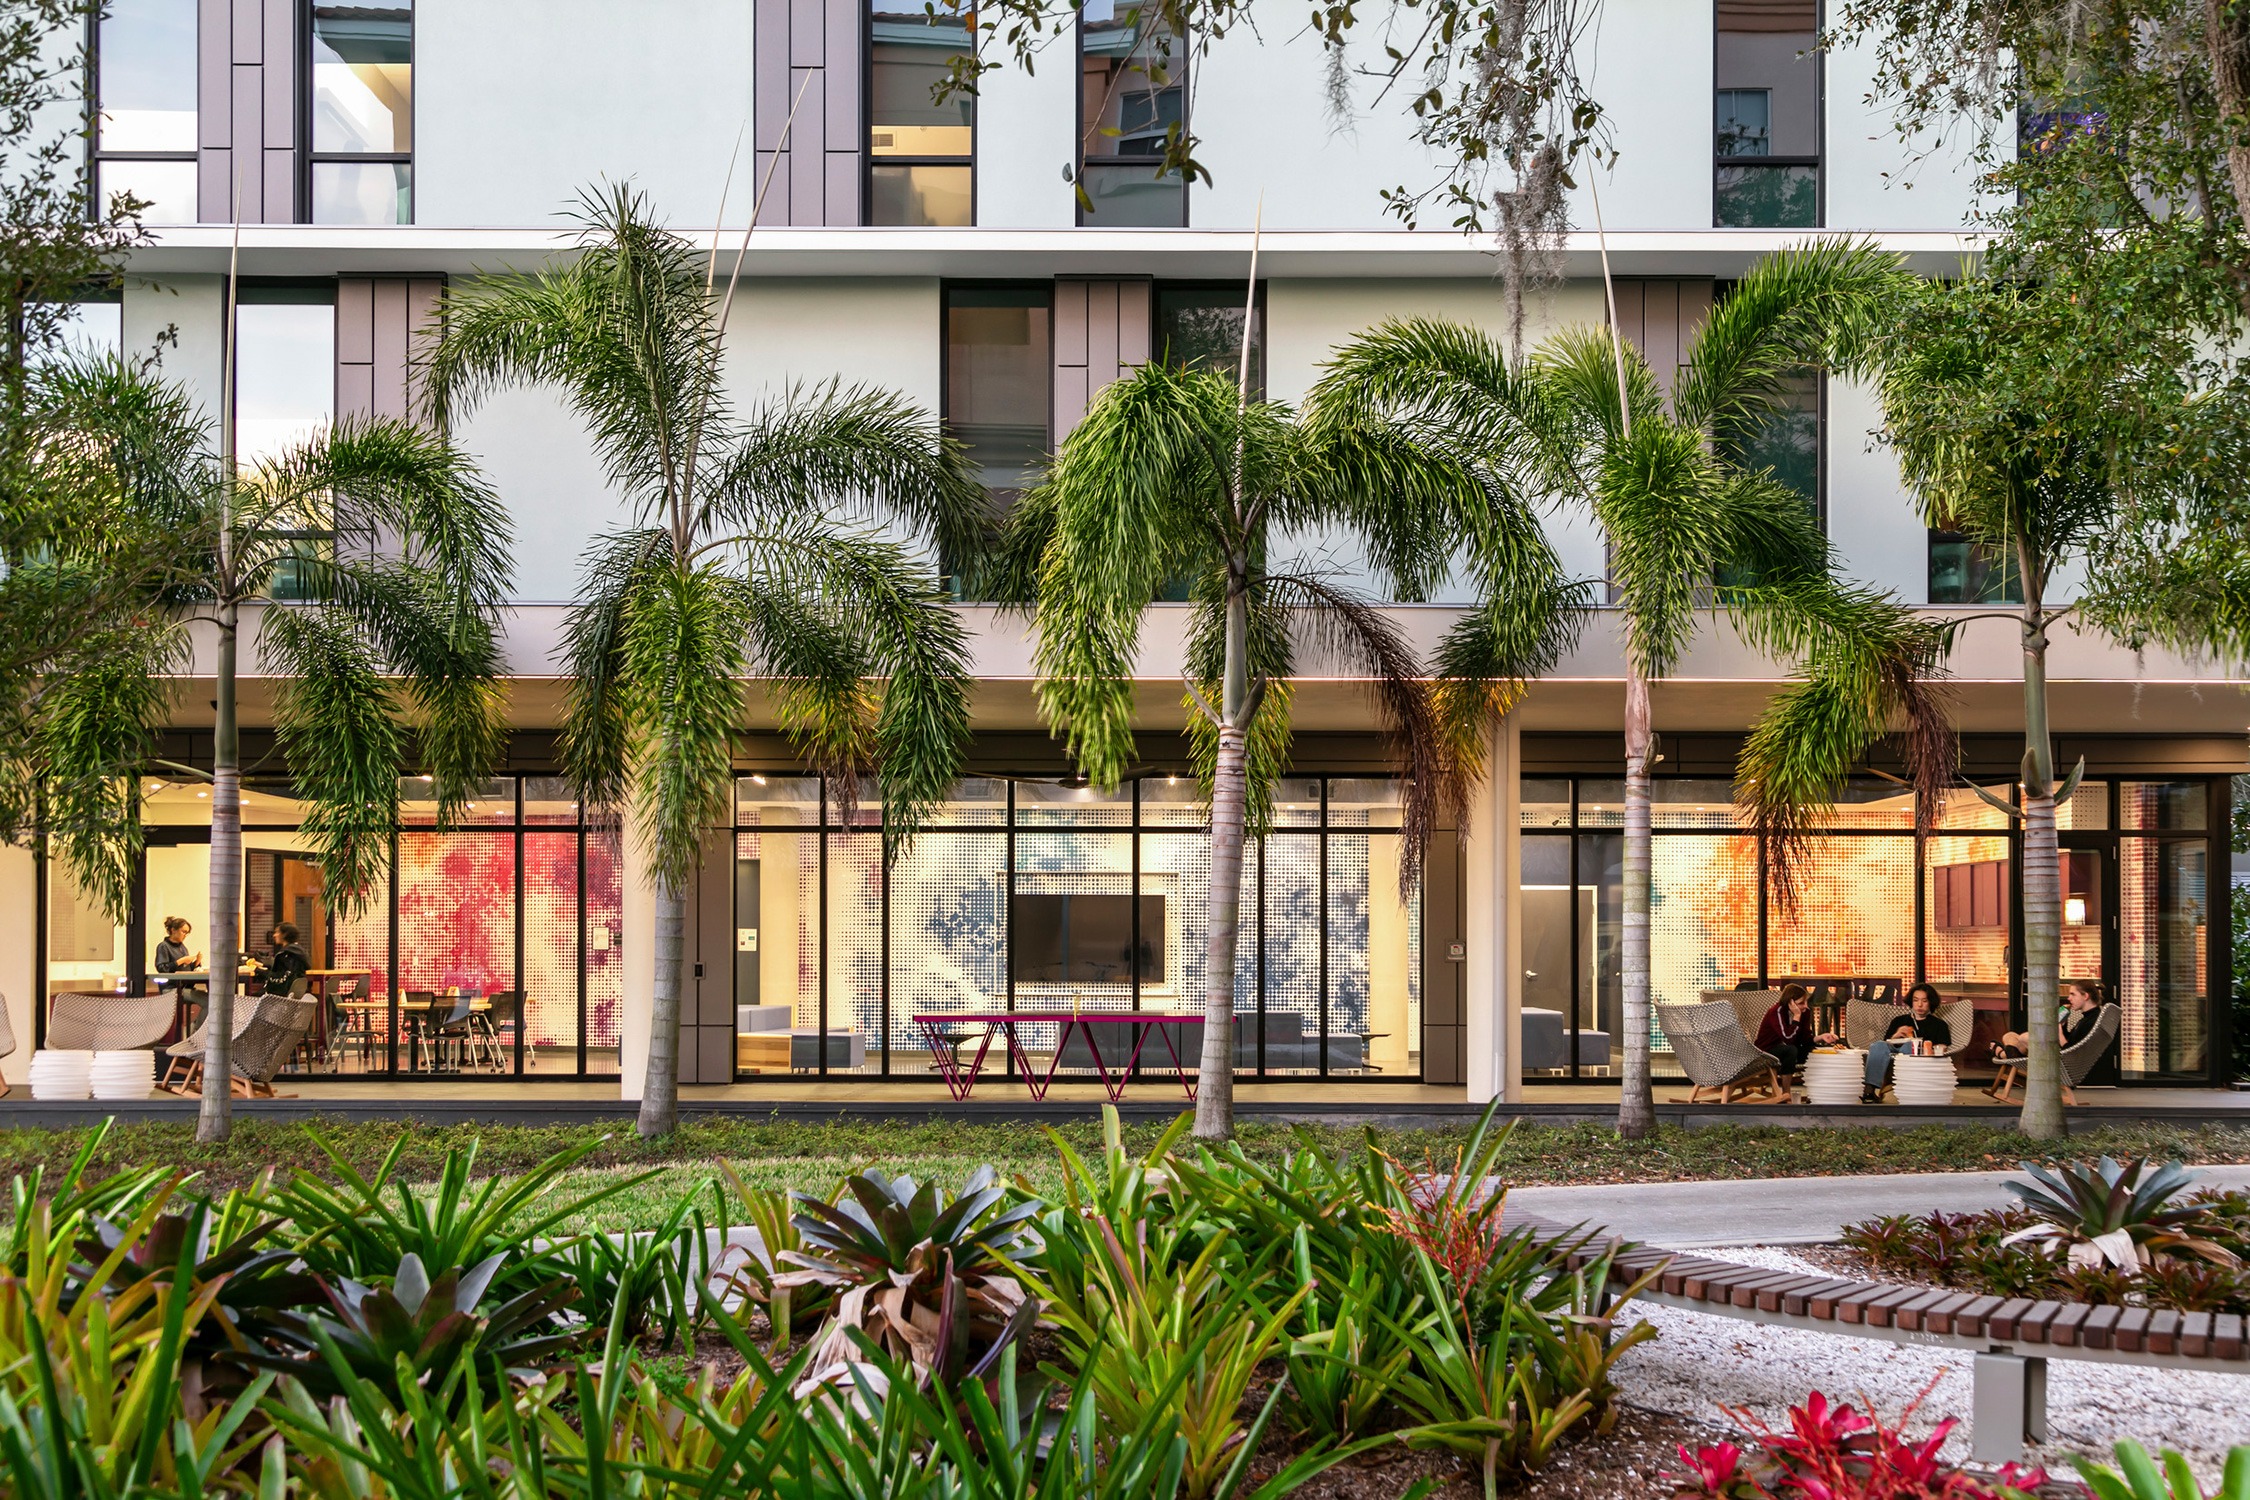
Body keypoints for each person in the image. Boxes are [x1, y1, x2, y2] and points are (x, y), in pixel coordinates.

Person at [1863, 982, 1951, 1101]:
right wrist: (1897, 1035)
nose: (1919, 1005)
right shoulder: (1899, 1020)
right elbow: (1886, 1043)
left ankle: (1906, 1087)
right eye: (1916, 1000)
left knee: (1910, 1046)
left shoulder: (1939, 1024)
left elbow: (1943, 1046)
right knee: (1878, 1045)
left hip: (1920, 1058)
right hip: (1893, 1053)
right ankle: (1869, 1089)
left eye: (1924, 1001)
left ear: (1931, 1002)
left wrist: (1929, 1048)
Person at [1993, 979, 2107, 1062]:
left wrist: (2058, 1031)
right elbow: (2072, 1041)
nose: (2069, 998)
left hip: (2062, 1060)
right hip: (2060, 1052)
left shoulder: (2091, 1021)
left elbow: (2070, 1051)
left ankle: (2004, 1055)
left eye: (2073, 994)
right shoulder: (2087, 1017)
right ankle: (2006, 1055)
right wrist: (2063, 1026)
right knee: (2010, 1035)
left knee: (2024, 1037)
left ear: (2085, 996)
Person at [1755, 984, 1837, 1076]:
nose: (1806, 1006)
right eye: (1801, 1003)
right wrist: (1797, 1016)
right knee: (1791, 1050)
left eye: (1806, 1002)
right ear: (1790, 1003)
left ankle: (1817, 1082)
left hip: (1789, 1049)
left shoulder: (1805, 1012)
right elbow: (1788, 1038)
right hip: (1767, 1051)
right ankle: (1786, 1089)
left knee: (1814, 1051)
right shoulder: (1777, 1011)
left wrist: (1821, 1037)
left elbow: (1805, 1038)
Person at [253, 922, 311, 996]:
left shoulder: (286, 954)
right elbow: (285, 972)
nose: (274, 935)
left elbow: (279, 979)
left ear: (285, 934)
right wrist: (263, 966)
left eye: (277, 932)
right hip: (291, 997)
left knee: (245, 1000)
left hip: (277, 997)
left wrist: (257, 970)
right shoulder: (298, 953)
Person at [152, 917, 202, 990]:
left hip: (185, 987)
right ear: (173, 930)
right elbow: (162, 968)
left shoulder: (182, 947)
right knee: (204, 998)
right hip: (171, 989)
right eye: (183, 932)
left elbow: (185, 969)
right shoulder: (164, 946)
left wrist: (196, 962)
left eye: (187, 933)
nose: (185, 935)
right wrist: (182, 960)